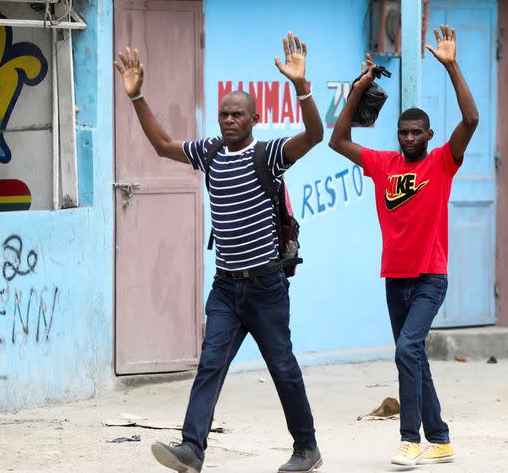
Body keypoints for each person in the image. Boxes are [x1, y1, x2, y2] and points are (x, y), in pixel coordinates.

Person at [113, 32, 324, 473]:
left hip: (266, 286)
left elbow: (315, 135)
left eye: (237, 114)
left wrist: (302, 87)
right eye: (224, 113)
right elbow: (163, 146)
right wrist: (137, 97)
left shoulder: (269, 155)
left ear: (254, 118)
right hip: (226, 287)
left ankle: (307, 448)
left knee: (282, 367)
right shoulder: (209, 152)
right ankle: (192, 449)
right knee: (210, 364)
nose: (229, 120)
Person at [328, 24, 479, 466]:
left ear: (429, 135)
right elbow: (338, 140)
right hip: (394, 278)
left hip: (430, 276)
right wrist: (359, 89)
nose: (409, 138)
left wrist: (451, 67)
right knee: (414, 357)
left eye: (417, 132)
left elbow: (471, 120)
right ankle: (442, 439)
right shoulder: (383, 164)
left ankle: (409, 439)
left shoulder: (442, 163)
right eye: (403, 132)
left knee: (406, 350)